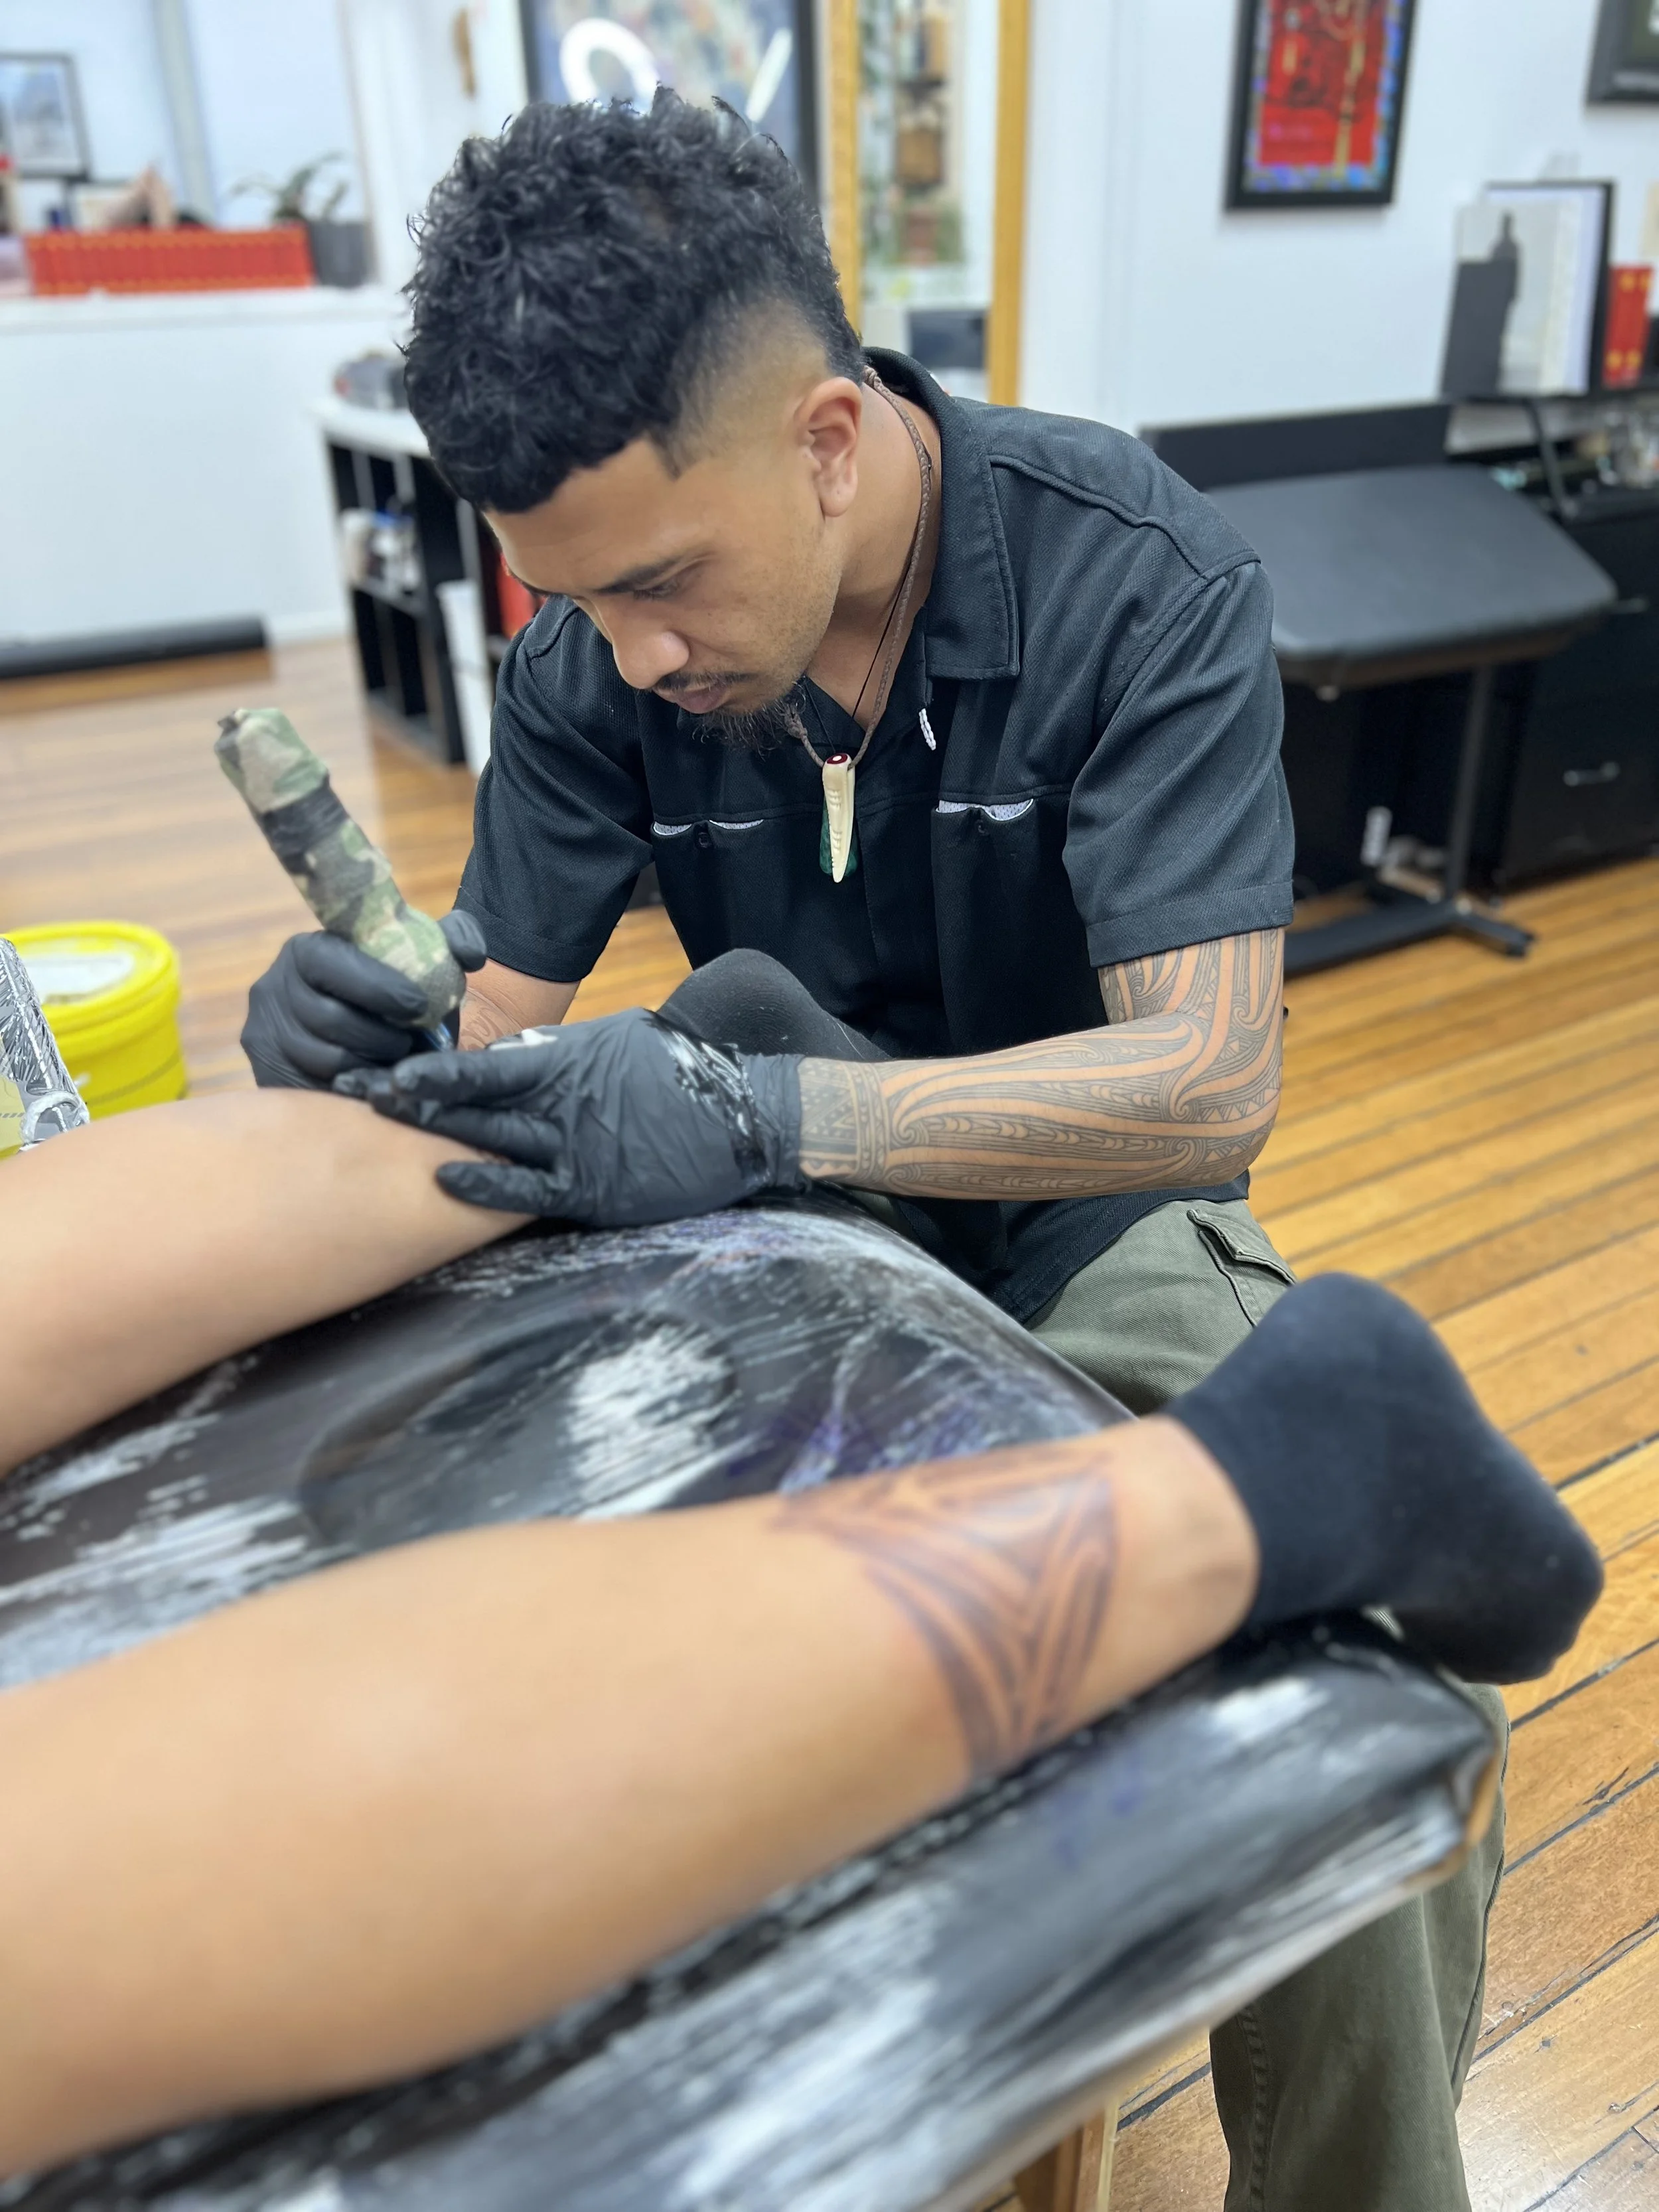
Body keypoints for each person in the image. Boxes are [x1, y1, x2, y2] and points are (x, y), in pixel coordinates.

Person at [238, 94, 1500, 2211]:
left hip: (1085, 1218)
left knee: (1362, 1693)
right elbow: (490, 1029)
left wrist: (767, 1109)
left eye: (659, 583)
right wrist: (361, 1047)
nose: (630, 657)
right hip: (772, 1236)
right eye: (573, 599)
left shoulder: (1133, 576)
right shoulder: (602, 648)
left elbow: (1205, 1081)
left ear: (828, 440)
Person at [0, 1093, 1601, 2177]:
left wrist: (744, 1103)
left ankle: (1254, 1487)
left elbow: (1207, 1079)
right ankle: (499, 1134)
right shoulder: (595, 721)